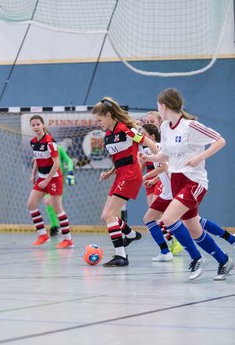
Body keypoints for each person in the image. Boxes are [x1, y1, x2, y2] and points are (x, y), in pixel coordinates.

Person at [143, 88, 234, 280]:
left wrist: (199, 156)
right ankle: (224, 260)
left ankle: (196, 258)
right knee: (194, 228)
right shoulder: (165, 127)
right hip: (176, 179)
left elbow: (220, 140)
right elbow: (165, 155)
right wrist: (148, 156)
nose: (158, 109)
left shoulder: (190, 126)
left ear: (164, 106)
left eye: (158, 106)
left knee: (167, 219)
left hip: (194, 181)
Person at [91, 97, 158, 267]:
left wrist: (161, 161)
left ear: (108, 115)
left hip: (130, 175)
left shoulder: (125, 130)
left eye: (99, 120)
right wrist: (110, 172)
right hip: (120, 174)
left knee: (109, 215)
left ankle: (121, 256)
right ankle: (130, 235)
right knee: (105, 216)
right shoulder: (108, 135)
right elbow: (119, 158)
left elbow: (148, 142)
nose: (98, 123)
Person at [27, 115, 74, 248]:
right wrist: (33, 174)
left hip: (53, 178)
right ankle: (43, 235)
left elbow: (57, 163)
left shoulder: (50, 142)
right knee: (31, 204)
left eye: (38, 124)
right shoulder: (33, 142)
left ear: (43, 125)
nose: (36, 127)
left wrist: (47, 180)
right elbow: (37, 159)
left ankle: (68, 239)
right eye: (33, 125)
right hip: (42, 178)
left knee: (57, 208)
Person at [140, 123, 183, 257]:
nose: (141, 136)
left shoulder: (157, 147)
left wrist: (147, 176)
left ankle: (173, 243)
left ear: (152, 136)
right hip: (166, 188)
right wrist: (152, 180)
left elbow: (164, 167)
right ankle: (167, 248)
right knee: (152, 217)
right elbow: (162, 169)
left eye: (143, 134)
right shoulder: (148, 150)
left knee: (191, 221)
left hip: (172, 188)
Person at [43, 144, 75, 237]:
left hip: (57, 180)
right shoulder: (41, 150)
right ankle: (55, 227)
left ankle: (61, 230)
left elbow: (69, 161)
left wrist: (70, 172)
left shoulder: (58, 148)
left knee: (51, 203)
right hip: (46, 179)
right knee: (48, 202)